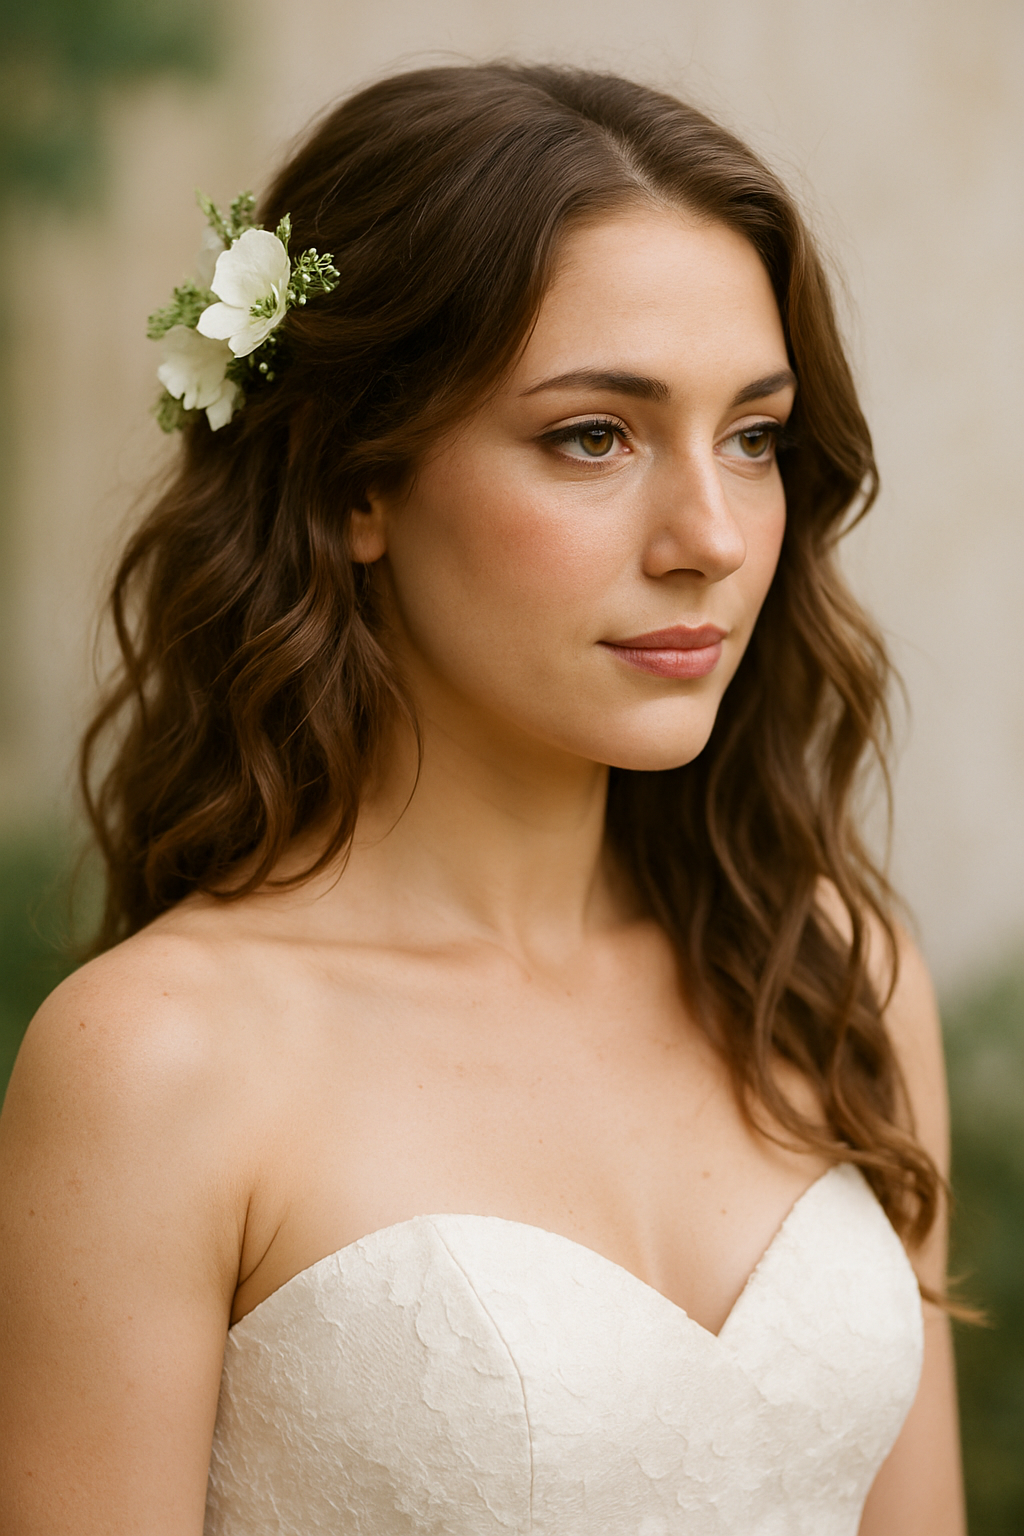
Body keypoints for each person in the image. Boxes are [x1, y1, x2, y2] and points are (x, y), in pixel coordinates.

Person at [0, 64, 964, 1535]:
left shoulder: (829, 973)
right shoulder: (160, 1064)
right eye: (595, 434)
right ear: (353, 485)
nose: (710, 535)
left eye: (755, 436)